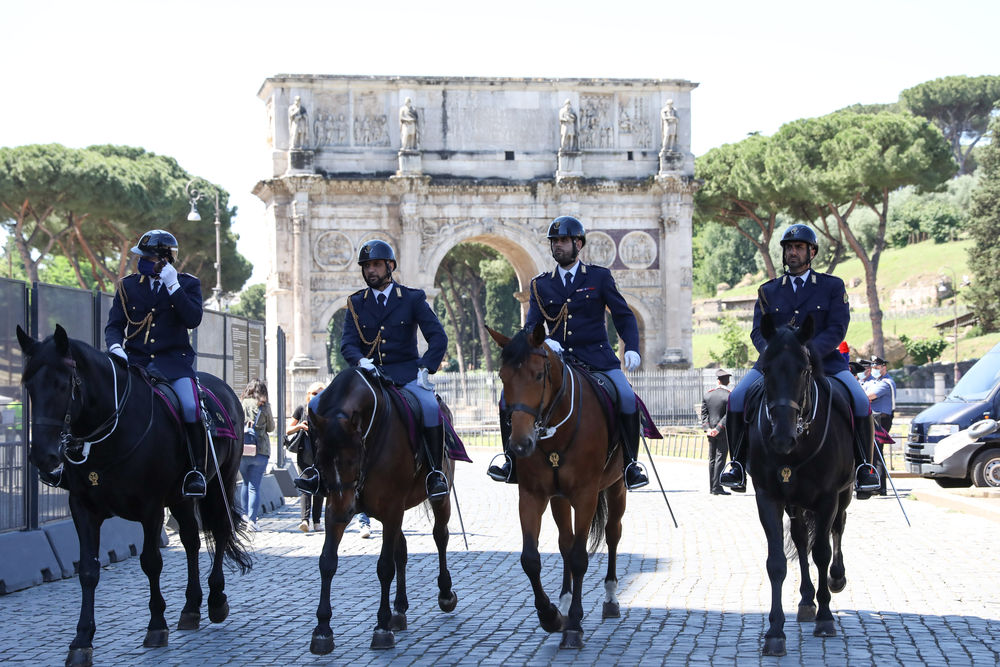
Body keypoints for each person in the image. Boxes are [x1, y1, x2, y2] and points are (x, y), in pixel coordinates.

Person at [487, 215, 649, 490]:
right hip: (558, 361)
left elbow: (624, 315)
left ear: (578, 243)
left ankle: (631, 464)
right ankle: (511, 460)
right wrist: (545, 342)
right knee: (507, 400)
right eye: (554, 242)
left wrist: (631, 346)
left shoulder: (599, 277)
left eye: (563, 240)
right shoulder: (541, 284)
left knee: (626, 398)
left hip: (597, 359)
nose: (558, 246)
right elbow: (532, 326)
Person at [718, 224, 881, 497]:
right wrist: (774, 353)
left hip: (825, 362)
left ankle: (865, 466)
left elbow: (838, 327)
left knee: (860, 400)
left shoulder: (831, 286)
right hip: (776, 365)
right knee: (737, 398)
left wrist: (808, 352)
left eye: (799, 247)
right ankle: (735, 463)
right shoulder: (768, 290)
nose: (793, 252)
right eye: (789, 248)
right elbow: (758, 331)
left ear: (812, 252)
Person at [339, 240, 450, 499]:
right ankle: (318, 470)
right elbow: (347, 343)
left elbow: (438, 337)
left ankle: (435, 472)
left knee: (431, 406)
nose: (371, 271)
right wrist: (360, 361)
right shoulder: (355, 303)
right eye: (366, 266)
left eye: (376, 265)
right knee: (323, 404)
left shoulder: (411, 298)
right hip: (368, 376)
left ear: (390, 266)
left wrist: (425, 367)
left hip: (405, 374)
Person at [104, 229, 208, 497]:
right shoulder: (127, 286)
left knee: (189, 407)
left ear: (165, 260)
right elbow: (115, 325)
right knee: (99, 400)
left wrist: (173, 286)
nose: (143, 261)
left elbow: (193, 319)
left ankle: (195, 471)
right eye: (143, 256)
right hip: (134, 361)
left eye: (149, 257)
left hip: (173, 363)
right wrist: (116, 347)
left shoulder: (187, 284)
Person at [287, 382, 326, 532]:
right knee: (305, 486)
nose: (318, 396)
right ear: (309, 394)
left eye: (321, 394)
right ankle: (305, 520)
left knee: (319, 486)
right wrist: (300, 426)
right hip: (305, 452)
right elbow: (289, 429)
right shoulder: (301, 409)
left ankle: (316, 521)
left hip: (322, 453)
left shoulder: (326, 410)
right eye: (315, 393)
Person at [240, 378, 274, 532]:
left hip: (243, 449)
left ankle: (244, 516)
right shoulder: (264, 406)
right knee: (254, 486)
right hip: (261, 450)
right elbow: (271, 428)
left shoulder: (242, 403)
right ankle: (252, 522)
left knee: (245, 484)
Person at [864, 355, 896, 495]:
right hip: (874, 418)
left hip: (881, 420)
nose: (875, 370)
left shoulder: (886, 383)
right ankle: (876, 484)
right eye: (873, 368)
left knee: (877, 452)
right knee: (873, 453)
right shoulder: (874, 382)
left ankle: (880, 487)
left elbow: (868, 396)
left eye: (877, 368)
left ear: (884, 367)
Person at [702, 369, 732, 495]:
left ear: (718, 381)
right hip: (722, 431)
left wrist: (708, 428)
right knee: (720, 457)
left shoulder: (708, 394)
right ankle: (717, 487)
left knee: (712, 459)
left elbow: (704, 414)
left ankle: (712, 487)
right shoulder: (729, 395)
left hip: (710, 431)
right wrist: (718, 429)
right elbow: (728, 415)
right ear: (728, 381)